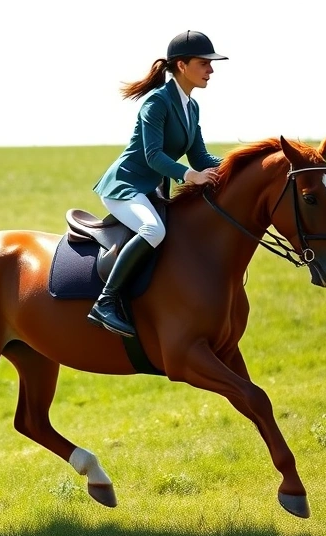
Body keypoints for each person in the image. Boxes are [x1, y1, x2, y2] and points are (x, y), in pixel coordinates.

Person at [87, 30, 227, 338]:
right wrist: (189, 176)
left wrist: (241, 163)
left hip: (149, 190)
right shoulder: (157, 102)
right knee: (154, 230)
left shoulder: (191, 107)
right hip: (124, 186)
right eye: (204, 63)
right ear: (182, 66)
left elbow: (200, 156)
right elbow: (153, 156)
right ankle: (105, 302)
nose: (211, 70)